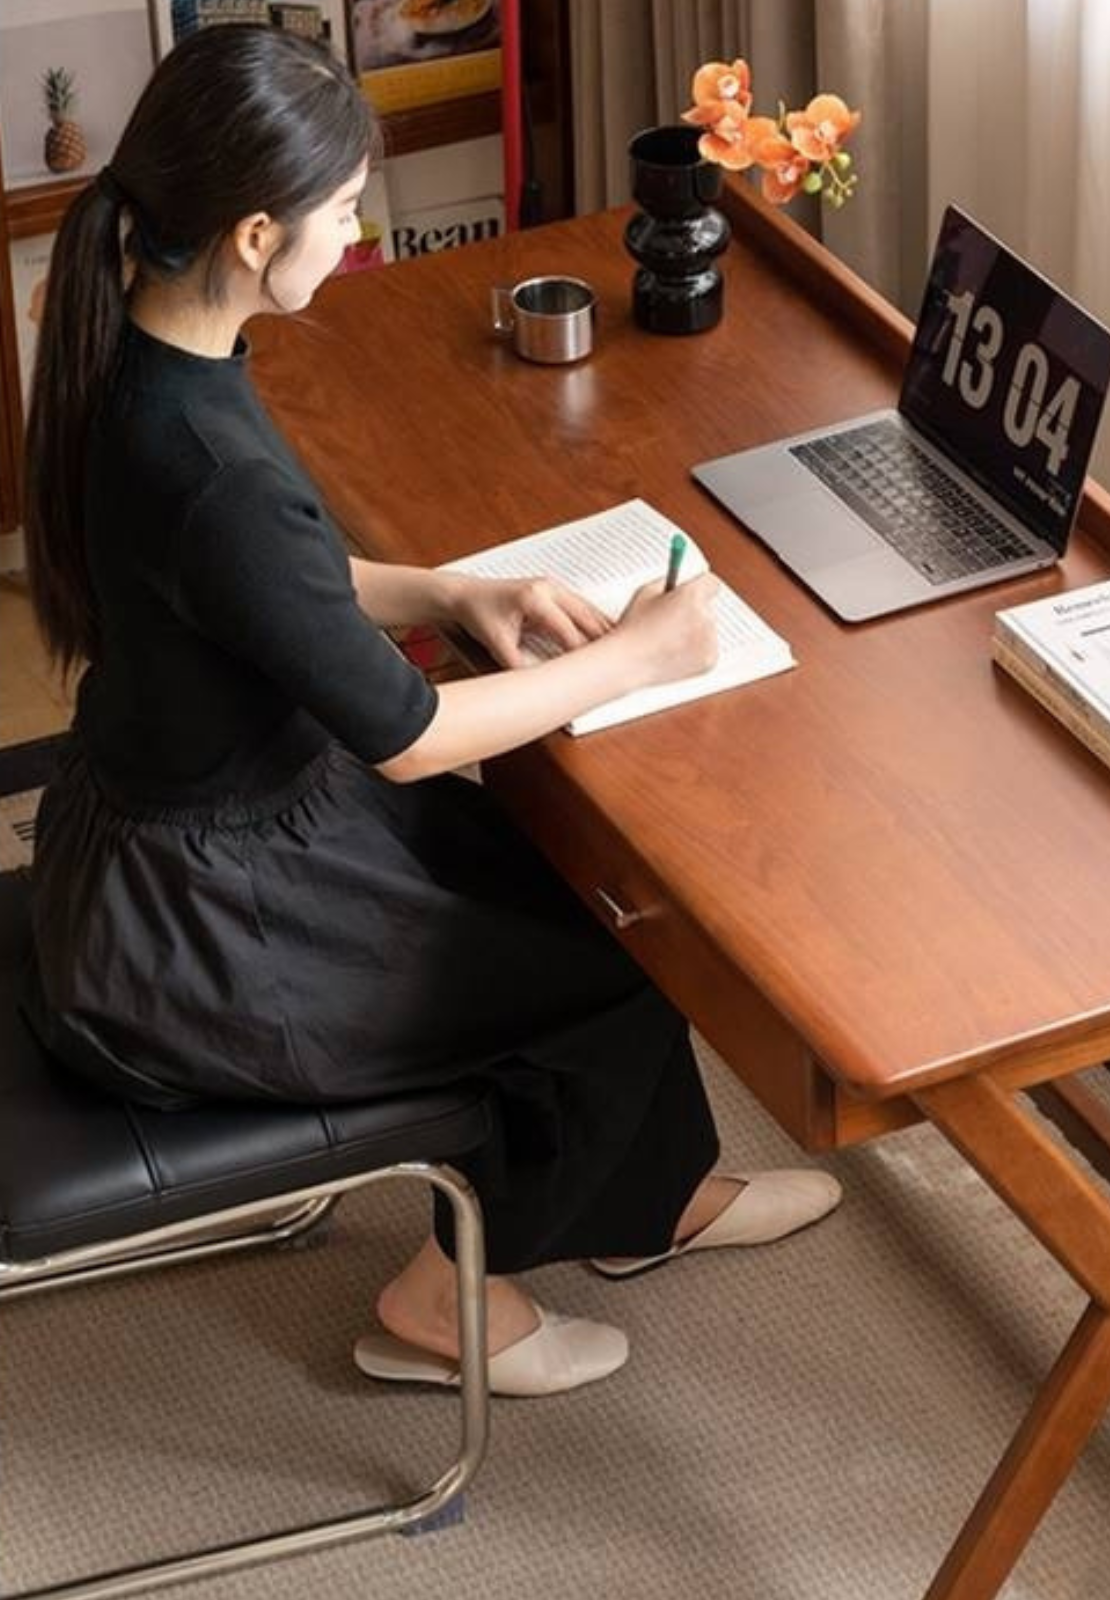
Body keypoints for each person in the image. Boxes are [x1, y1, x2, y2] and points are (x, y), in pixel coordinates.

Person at [20, 25, 839, 1398]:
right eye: (344, 210)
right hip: (198, 936)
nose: (356, 236)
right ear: (257, 234)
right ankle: (442, 1298)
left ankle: (646, 1204)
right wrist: (640, 658)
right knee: (616, 963)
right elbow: (407, 736)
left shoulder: (148, 352)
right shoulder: (205, 456)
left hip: (190, 835)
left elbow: (256, 581)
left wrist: (456, 589)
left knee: (588, 893)